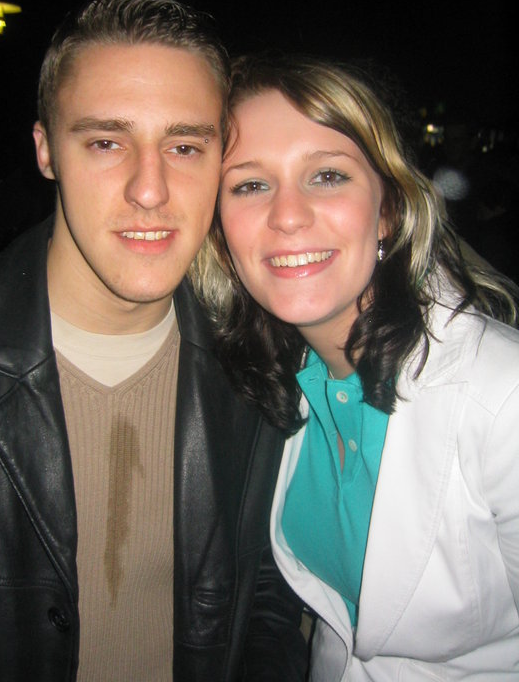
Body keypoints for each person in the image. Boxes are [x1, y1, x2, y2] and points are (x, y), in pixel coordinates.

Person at [0, 0, 306, 682]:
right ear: (45, 151)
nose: (149, 189)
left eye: (184, 146)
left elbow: (267, 590)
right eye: (105, 142)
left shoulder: (257, 358)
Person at [193, 52, 519, 679]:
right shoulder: (278, 383)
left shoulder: (502, 396)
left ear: (388, 208)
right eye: (251, 185)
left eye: (327, 176)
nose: (288, 215)